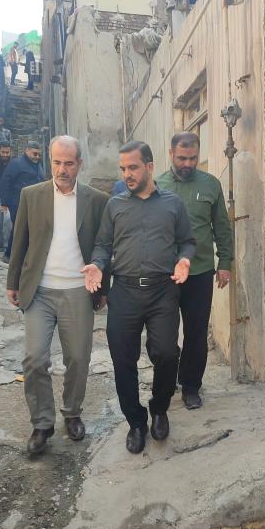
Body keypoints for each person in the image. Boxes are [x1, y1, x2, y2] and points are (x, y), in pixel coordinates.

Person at [82, 141, 196, 454]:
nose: (127, 174)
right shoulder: (115, 206)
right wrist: (97, 264)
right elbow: (103, 245)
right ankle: (135, 422)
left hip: (162, 291)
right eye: (123, 169)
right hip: (125, 291)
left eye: (132, 167)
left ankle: (159, 409)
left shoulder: (173, 204)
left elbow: (187, 241)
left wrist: (184, 259)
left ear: (149, 166)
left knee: (166, 353)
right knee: (122, 360)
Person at [6, 136, 111, 455]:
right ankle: (42, 423)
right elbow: (19, 241)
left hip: (78, 290)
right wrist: (13, 282)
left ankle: (72, 412)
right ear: (49, 162)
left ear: (80, 164)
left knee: (77, 358)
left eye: (68, 163)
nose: (62, 170)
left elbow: (103, 247)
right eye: (56, 162)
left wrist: (103, 288)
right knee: (35, 358)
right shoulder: (31, 195)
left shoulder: (97, 200)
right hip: (39, 290)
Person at [156, 132, 233, 409]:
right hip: (165, 274)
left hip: (200, 271)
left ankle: (191, 386)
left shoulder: (211, 185)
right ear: (171, 154)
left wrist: (225, 263)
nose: (187, 164)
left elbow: (221, 226)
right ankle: (168, 379)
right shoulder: (157, 186)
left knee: (196, 332)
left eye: (193, 158)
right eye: (182, 158)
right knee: (164, 335)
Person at [0, 141, 45, 261]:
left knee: (31, 230)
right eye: (34, 154)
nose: (37, 157)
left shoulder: (38, 166)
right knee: (19, 228)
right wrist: (4, 203)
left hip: (34, 204)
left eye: (39, 155)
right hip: (17, 203)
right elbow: (5, 182)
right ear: (27, 151)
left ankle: (24, 255)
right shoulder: (16, 164)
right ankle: (9, 254)